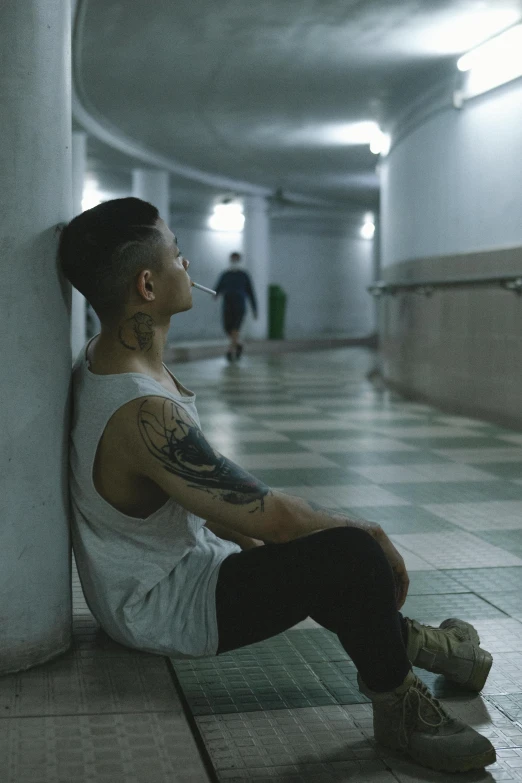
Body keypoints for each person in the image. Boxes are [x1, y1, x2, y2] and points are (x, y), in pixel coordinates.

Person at [58, 197, 495, 775]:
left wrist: (258, 538)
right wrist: (367, 530)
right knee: (350, 552)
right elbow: (275, 515)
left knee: (306, 547)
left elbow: (198, 491)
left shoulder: (111, 357)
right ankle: (401, 707)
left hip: (171, 575)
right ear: (146, 285)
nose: (187, 267)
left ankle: (420, 645)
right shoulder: (140, 412)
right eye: (178, 257)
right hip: (161, 607)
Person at [214, 251, 257, 362]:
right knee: (227, 328)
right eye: (233, 260)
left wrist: (254, 309)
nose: (234, 262)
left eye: (236, 260)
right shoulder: (225, 275)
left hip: (240, 306)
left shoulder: (244, 275)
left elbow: (251, 292)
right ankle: (238, 344)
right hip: (228, 305)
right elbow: (218, 287)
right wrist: (216, 294)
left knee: (235, 328)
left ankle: (230, 350)